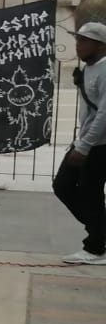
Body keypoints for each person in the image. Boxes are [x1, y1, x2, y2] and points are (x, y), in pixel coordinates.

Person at [54, 22, 106, 265]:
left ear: (100, 45)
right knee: (63, 185)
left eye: (84, 40)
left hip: (99, 144)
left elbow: (104, 114)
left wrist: (84, 146)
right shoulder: (89, 68)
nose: (78, 44)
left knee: (90, 194)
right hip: (87, 140)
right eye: (78, 39)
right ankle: (99, 233)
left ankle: (95, 247)